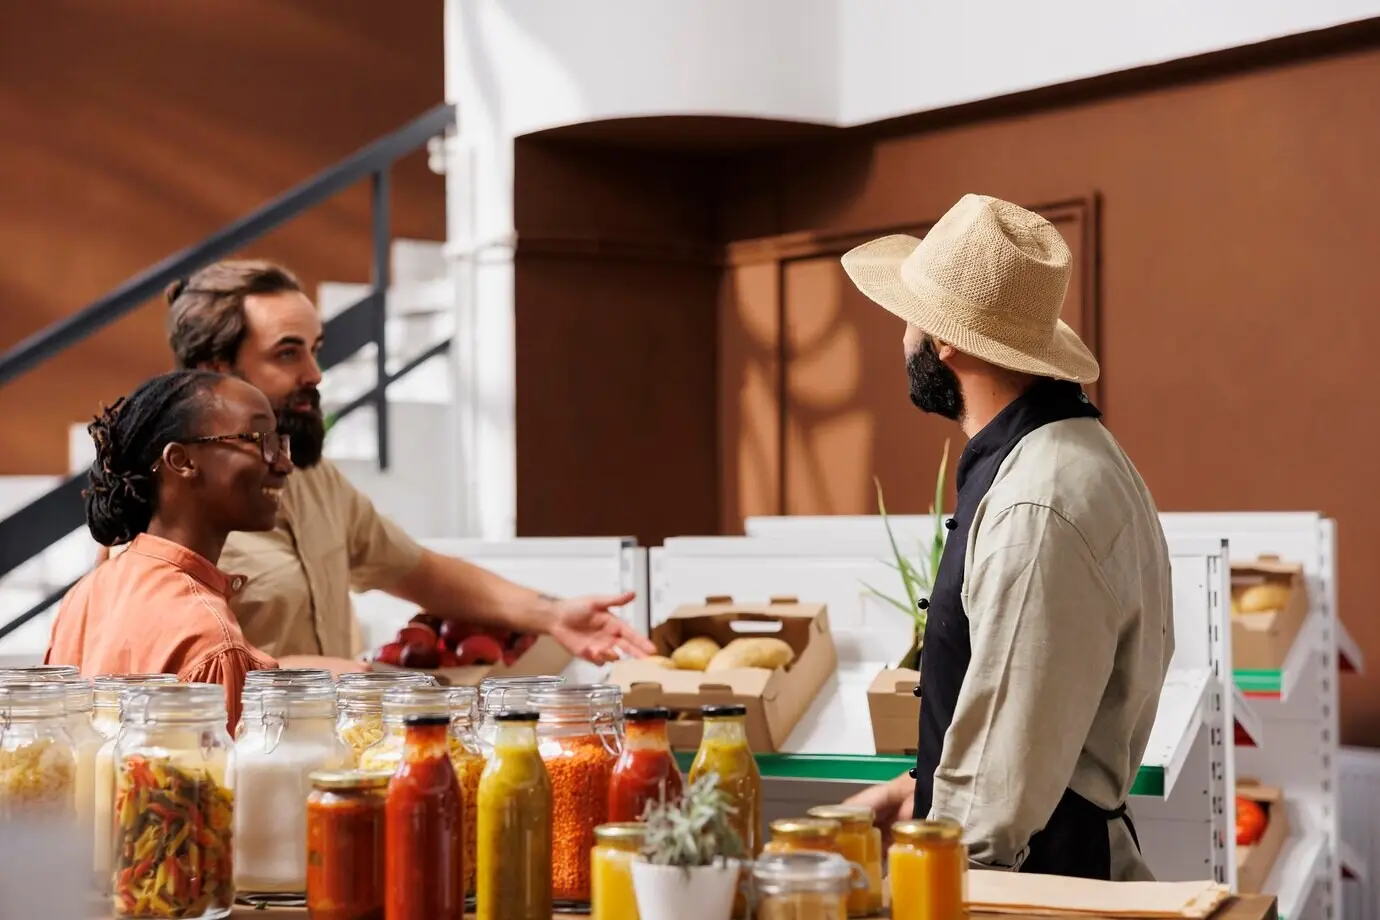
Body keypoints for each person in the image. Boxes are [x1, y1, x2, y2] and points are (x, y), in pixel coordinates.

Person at [838, 194, 1173, 881]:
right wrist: (916, 792)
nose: (901, 335)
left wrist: (935, 863)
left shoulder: (1036, 502)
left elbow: (1001, 786)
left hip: (1031, 886)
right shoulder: (1066, 456)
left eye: (910, 316)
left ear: (946, 340)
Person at [162, 261, 654, 671]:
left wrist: (551, 615)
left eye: (316, 350)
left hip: (334, 765)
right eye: (288, 353)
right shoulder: (167, 504)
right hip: (223, 775)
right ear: (216, 370)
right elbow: (171, 669)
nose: (314, 374)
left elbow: (419, 572)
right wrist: (348, 680)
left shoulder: (315, 479)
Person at [47, 370, 288, 728]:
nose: (284, 462)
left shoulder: (87, 593)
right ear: (182, 461)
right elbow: (213, 784)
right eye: (259, 439)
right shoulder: (213, 640)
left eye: (279, 442)